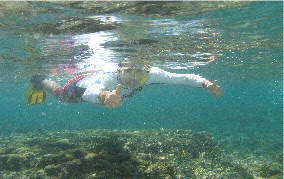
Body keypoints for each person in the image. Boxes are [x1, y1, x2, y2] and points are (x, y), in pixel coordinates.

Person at [26, 62, 223, 108]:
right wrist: (104, 96)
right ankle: (41, 80)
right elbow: (90, 91)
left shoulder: (152, 75)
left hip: (98, 86)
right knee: (61, 96)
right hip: (81, 85)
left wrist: (205, 83)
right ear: (119, 69)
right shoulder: (109, 79)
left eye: (141, 72)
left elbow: (182, 77)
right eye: (129, 71)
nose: (134, 78)